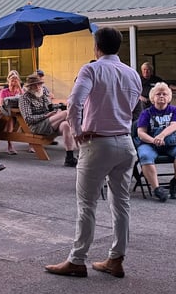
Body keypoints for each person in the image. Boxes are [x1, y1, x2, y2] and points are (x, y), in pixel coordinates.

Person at [46, 27, 141, 279]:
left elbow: (74, 102)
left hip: (98, 142)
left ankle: (77, 259)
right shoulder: (131, 73)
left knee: (87, 204)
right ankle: (116, 258)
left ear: (96, 47)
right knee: (121, 203)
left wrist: (77, 131)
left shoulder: (91, 69)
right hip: (124, 141)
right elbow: (133, 106)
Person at [135, 82, 176, 201]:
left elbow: (175, 126)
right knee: (144, 155)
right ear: (152, 98)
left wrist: (161, 136)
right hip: (149, 144)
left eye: (164, 94)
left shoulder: (174, 110)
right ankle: (157, 189)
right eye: (158, 94)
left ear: (169, 97)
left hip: (170, 144)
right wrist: (154, 140)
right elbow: (141, 133)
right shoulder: (146, 113)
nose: (161, 96)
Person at [18, 73, 78, 167]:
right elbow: (28, 119)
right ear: (30, 86)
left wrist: (56, 110)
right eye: (35, 85)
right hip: (36, 126)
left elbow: (50, 108)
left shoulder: (43, 94)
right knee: (66, 113)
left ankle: (69, 157)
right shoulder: (24, 98)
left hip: (49, 121)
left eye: (39, 84)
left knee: (66, 125)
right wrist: (46, 116)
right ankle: (81, 141)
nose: (38, 86)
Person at [0, 70, 23, 154]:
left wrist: (19, 87)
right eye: (12, 80)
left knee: (27, 119)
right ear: (8, 80)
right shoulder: (4, 91)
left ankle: (33, 144)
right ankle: (10, 145)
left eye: (16, 80)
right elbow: (1, 104)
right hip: (6, 114)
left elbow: (25, 101)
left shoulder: (19, 91)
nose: (14, 82)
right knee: (10, 119)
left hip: (18, 114)